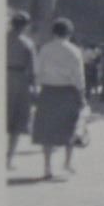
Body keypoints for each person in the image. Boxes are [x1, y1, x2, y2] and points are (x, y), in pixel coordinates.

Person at [32, 18, 86, 179]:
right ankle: (67, 163)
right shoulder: (74, 51)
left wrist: (38, 88)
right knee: (69, 127)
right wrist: (82, 96)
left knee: (46, 130)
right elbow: (79, 77)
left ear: (53, 32)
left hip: (48, 92)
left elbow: (37, 72)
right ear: (69, 33)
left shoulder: (44, 49)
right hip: (68, 92)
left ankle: (47, 167)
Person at [6, 10, 36, 170]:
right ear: (25, 26)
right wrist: (34, 88)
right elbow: (32, 70)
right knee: (16, 123)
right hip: (19, 81)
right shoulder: (27, 44)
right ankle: (9, 159)